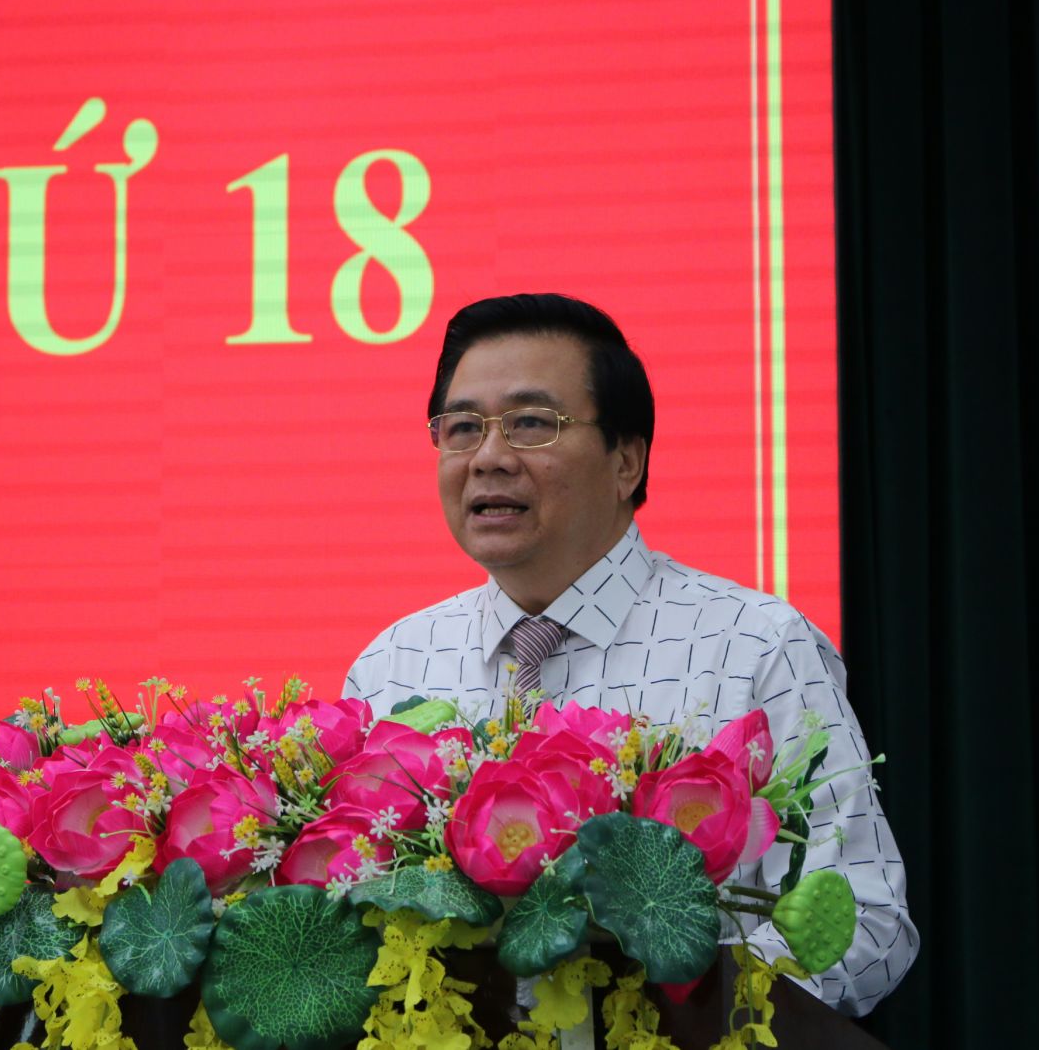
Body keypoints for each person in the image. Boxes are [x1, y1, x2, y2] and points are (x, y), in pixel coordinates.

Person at [344, 293, 917, 1016]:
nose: (488, 457)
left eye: (530, 423)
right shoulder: (393, 665)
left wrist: (663, 1011)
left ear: (626, 460)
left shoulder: (753, 645)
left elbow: (868, 922)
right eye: (462, 428)